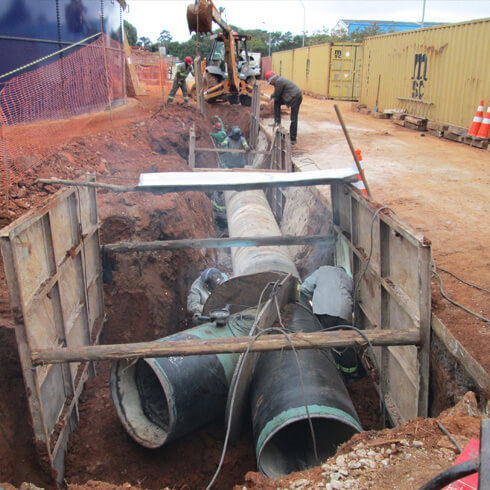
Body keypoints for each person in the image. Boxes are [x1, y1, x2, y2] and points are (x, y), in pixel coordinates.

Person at [299, 265, 361, 380]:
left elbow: (304, 289)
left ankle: (333, 375)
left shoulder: (322, 270)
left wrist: (310, 303)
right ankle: (351, 375)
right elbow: (351, 296)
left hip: (324, 312)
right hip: (344, 313)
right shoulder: (348, 278)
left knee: (327, 343)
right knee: (345, 344)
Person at [265, 71, 303, 146]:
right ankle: (277, 122)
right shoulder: (278, 81)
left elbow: (277, 94)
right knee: (277, 102)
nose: (271, 84)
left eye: (270, 82)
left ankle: (293, 139)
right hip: (291, 96)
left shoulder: (279, 82)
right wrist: (273, 98)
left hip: (296, 98)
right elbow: (276, 96)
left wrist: (272, 98)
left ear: (273, 79)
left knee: (293, 118)